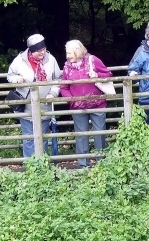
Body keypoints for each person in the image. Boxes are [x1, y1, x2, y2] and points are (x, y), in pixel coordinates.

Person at [7, 34, 62, 158]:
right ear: (31, 50)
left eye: (43, 49)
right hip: (26, 106)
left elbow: (58, 78)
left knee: (42, 137)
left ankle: (42, 166)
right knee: (29, 138)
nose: (43, 53)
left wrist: (52, 93)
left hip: (44, 105)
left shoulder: (51, 59)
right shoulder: (20, 60)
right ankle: (30, 167)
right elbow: (10, 76)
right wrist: (17, 79)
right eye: (39, 51)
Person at [60, 40, 113, 168]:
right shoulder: (66, 67)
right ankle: (83, 165)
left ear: (78, 51)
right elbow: (63, 87)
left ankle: (102, 164)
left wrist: (97, 74)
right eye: (67, 53)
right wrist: (72, 100)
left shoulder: (93, 60)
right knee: (81, 135)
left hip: (97, 103)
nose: (67, 56)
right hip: (78, 107)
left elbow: (108, 74)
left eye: (69, 53)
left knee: (99, 134)